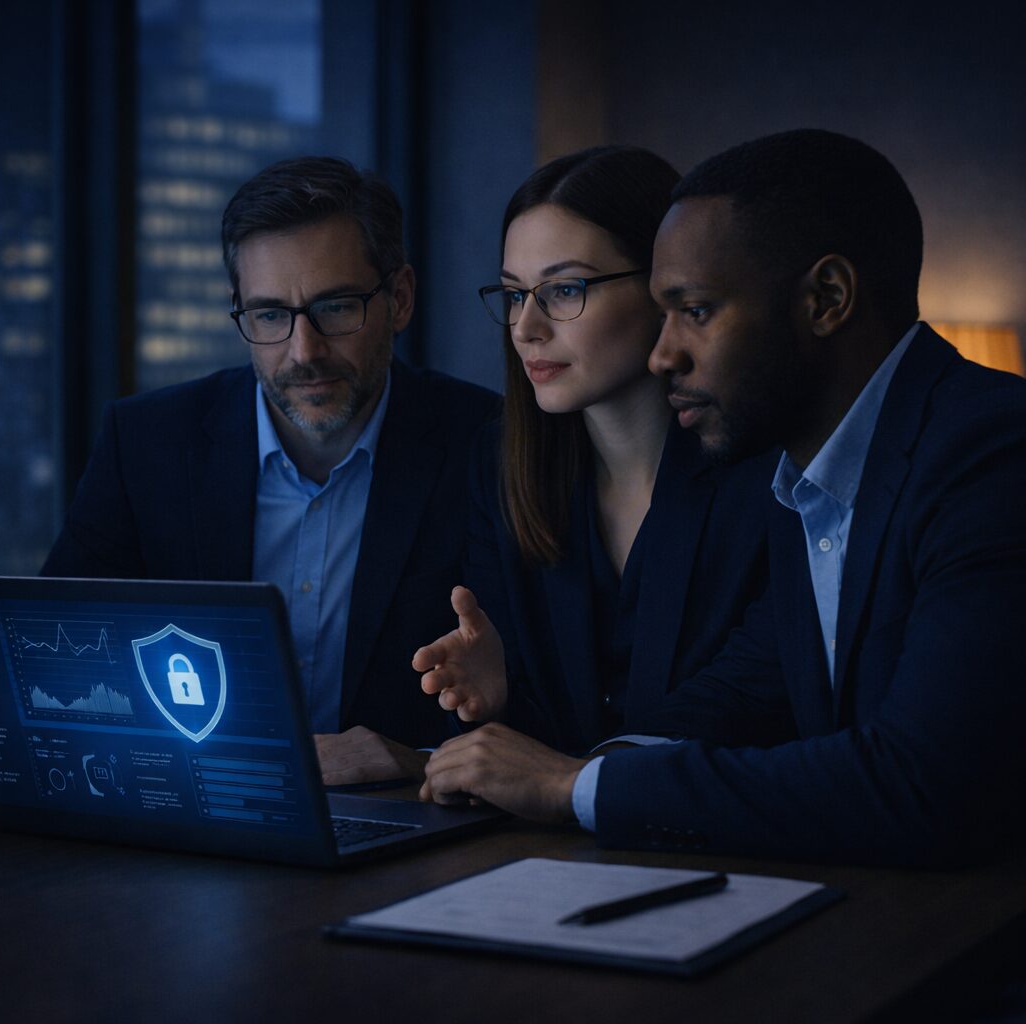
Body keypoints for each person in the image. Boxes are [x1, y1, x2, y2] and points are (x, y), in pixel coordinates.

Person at [419, 129, 1026, 866]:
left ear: (827, 298)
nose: (663, 353)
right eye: (514, 295)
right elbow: (741, 694)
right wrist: (548, 765)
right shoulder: (808, 478)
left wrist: (573, 785)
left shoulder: (990, 449)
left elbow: (920, 779)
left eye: (695, 310)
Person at [43, 156, 500, 773]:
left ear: (400, 299)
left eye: (336, 307)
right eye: (269, 315)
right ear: (240, 313)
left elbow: (540, 698)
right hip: (191, 815)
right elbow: (54, 662)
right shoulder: (145, 444)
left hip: (413, 822)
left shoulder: (488, 445)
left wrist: (417, 761)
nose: (303, 351)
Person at [407, 146, 781, 767]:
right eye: (513, 295)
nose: (525, 328)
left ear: (664, 288)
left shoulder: (765, 472)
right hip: (550, 854)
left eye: (563, 290)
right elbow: (529, 742)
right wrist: (501, 699)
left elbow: (758, 707)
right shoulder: (499, 468)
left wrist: (573, 778)